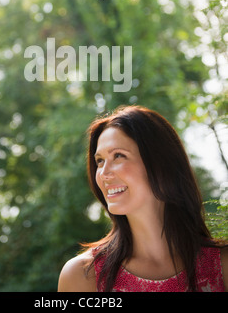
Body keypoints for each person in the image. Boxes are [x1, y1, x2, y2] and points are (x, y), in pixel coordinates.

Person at [58, 105, 228, 292]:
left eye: (119, 156)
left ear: (160, 164)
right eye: (100, 161)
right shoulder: (82, 276)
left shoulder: (223, 266)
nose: (103, 173)